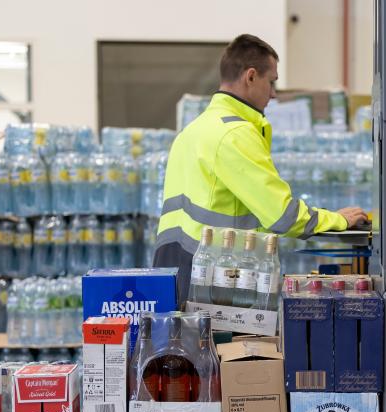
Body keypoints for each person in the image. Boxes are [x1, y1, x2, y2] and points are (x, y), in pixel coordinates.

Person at [154, 34, 368, 301]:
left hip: (176, 272)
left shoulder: (195, 129)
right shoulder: (234, 134)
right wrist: (337, 220)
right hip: (211, 280)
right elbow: (282, 215)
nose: (274, 93)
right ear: (251, 76)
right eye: (272, 81)